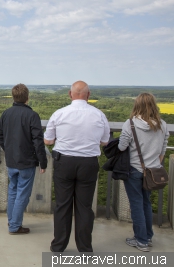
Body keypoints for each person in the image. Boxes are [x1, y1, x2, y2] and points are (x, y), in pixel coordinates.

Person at [44, 81, 110, 252]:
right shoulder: (99, 115)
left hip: (64, 162)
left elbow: (48, 141)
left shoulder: (59, 114)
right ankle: (85, 248)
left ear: (70, 94)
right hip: (88, 163)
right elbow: (105, 141)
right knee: (84, 207)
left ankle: (58, 246)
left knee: (62, 205)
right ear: (88, 95)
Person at [117, 93, 169, 252]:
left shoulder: (130, 124)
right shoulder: (162, 124)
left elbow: (121, 147)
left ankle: (141, 241)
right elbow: (163, 147)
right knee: (146, 203)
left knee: (136, 205)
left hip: (134, 170)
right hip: (152, 171)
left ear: (136, 105)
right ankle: (147, 236)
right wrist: (156, 162)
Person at [0, 83, 47, 235]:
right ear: (27, 98)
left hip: (11, 161)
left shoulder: (6, 113)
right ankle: (14, 226)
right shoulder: (32, 116)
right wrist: (42, 162)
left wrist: (9, 150)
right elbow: (38, 142)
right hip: (27, 162)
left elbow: (0, 136)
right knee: (22, 194)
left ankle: (11, 220)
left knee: (13, 191)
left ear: (14, 97)